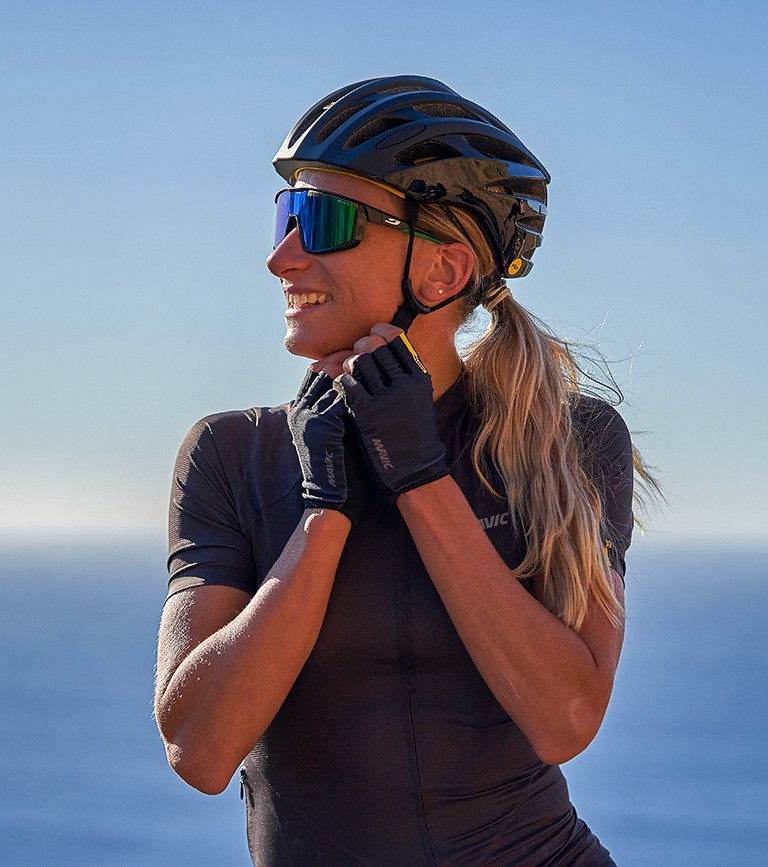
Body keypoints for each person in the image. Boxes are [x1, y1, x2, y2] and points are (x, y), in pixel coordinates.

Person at [155, 75, 653, 866]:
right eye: (287, 214)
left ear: (444, 271)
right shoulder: (230, 455)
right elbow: (199, 749)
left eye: (321, 220)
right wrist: (324, 513)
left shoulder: (572, 442)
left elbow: (567, 716)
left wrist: (419, 476)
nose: (281, 257)